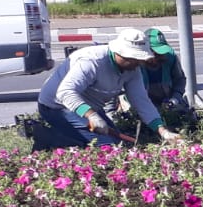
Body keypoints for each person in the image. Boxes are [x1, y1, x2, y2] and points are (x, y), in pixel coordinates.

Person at [31, 28, 182, 150]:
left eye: (139, 59)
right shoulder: (92, 61)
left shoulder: (133, 69)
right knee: (107, 147)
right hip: (57, 106)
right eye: (133, 59)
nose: (137, 63)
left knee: (117, 143)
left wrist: (163, 131)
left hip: (89, 108)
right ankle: (49, 137)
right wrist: (91, 115)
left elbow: (141, 101)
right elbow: (65, 93)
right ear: (120, 53)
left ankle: (72, 138)